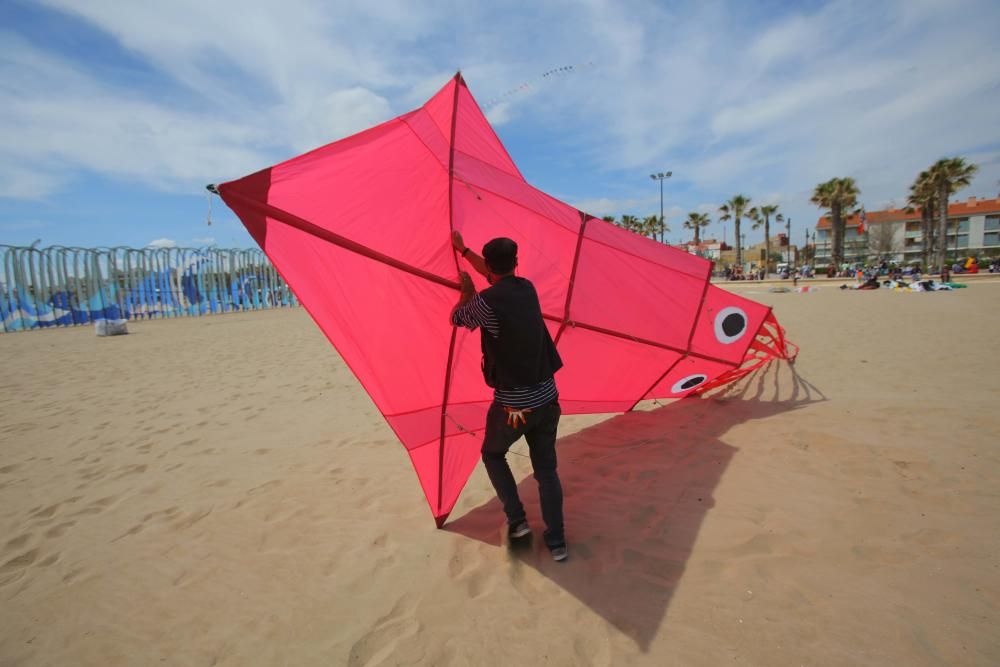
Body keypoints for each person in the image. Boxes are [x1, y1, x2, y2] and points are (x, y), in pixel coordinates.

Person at [450, 231, 568, 562]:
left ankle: (517, 521)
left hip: (515, 407)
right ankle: (557, 541)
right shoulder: (527, 288)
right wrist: (464, 251)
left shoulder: (485, 302)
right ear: (516, 263)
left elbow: (458, 318)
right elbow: (494, 275)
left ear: (490, 265)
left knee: (492, 454)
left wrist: (466, 293)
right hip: (548, 398)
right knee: (547, 470)